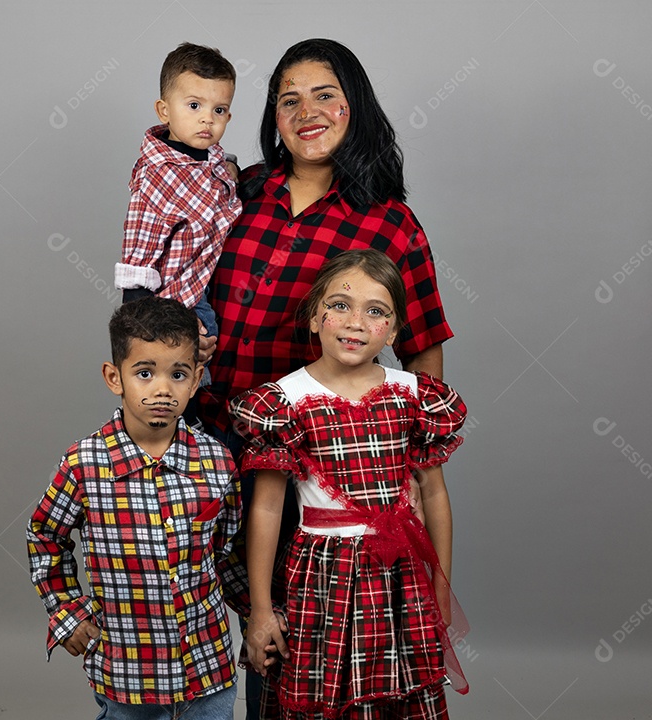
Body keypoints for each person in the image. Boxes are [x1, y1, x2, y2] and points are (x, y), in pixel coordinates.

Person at [194, 39, 457, 713]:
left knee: (294, 623)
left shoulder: (388, 222)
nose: (306, 111)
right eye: (288, 99)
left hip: (307, 457)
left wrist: (410, 463)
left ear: (355, 107)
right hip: (211, 438)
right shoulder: (238, 191)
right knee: (192, 606)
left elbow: (423, 350)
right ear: (272, 117)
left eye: (324, 95)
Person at [230, 249, 468, 719]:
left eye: (375, 312)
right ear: (315, 317)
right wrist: (260, 610)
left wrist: (441, 586)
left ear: (395, 330)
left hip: (402, 574)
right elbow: (267, 509)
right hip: (323, 577)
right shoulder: (287, 402)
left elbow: (435, 495)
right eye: (340, 305)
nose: (355, 322)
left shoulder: (413, 396)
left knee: (402, 689)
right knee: (324, 691)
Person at [26, 296, 249, 720]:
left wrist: (258, 616)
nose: (163, 389)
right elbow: (45, 537)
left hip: (208, 668)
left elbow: (228, 552)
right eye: (144, 373)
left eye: (178, 374)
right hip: (126, 672)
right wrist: (68, 613)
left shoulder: (218, 462)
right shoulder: (85, 463)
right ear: (115, 377)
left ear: (197, 378)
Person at [114, 42, 242, 385]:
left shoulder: (208, 155)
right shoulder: (158, 175)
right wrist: (143, 322)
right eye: (195, 106)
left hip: (206, 284)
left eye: (219, 110)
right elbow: (139, 249)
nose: (207, 119)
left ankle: (194, 421)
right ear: (164, 110)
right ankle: (184, 424)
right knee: (181, 370)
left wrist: (231, 165)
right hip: (171, 300)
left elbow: (217, 163)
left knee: (205, 359)